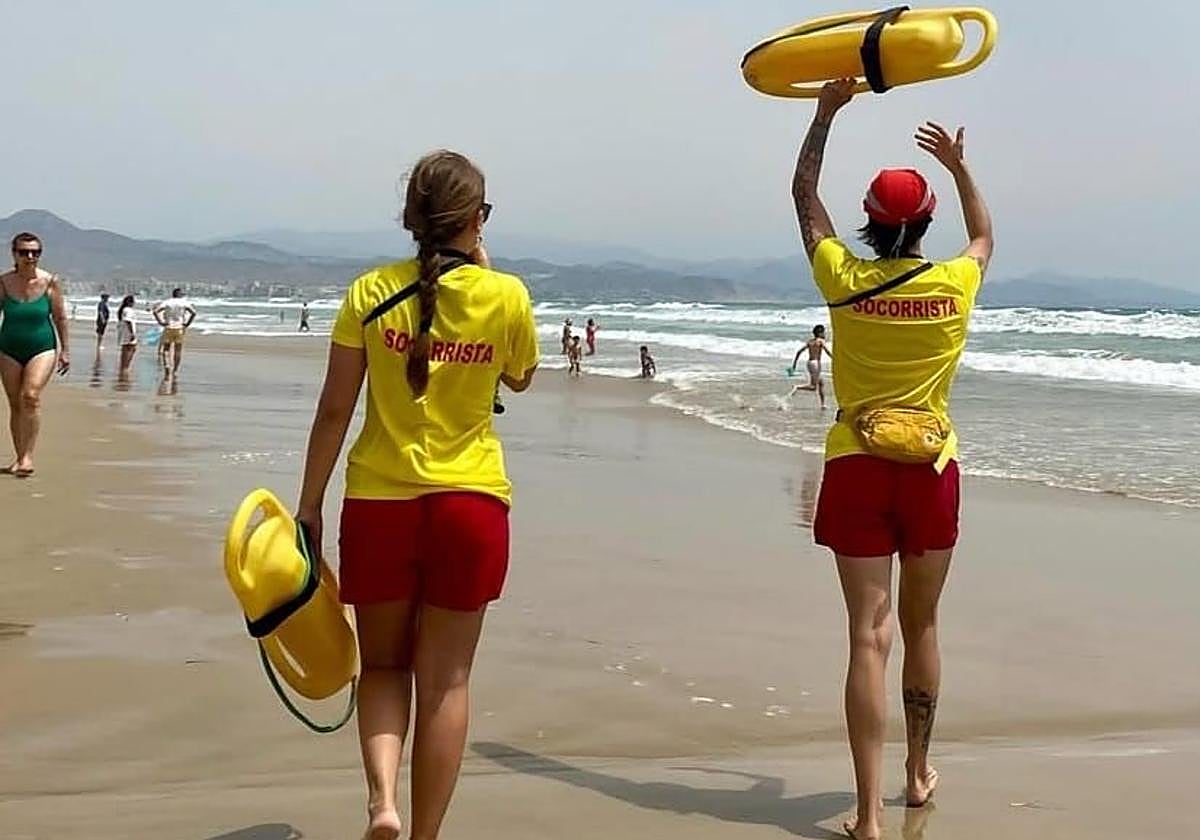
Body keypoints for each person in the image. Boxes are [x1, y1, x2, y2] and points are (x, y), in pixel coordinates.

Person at [296, 150, 538, 840]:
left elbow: (334, 410)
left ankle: (382, 804)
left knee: (380, 667)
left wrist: (309, 503)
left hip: (379, 503)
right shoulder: (508, 296)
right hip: (471, 507)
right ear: (473, 219)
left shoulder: (370, 292)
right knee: (447, 683)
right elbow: (519, 378)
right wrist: (485, 270)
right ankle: (425, 835)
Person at [792, 79, 993, 840]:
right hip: (932, 469)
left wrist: (823, 114)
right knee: (923, 628)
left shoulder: (843, 278)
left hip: (856, 463)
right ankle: (916, 773)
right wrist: (960, 168)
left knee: (867, 638)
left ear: (870, 225)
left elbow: (803, 195)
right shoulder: (952, 284)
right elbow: (985, 239)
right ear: (926, 220)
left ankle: (870, 815)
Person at [0, 233, 70, 477]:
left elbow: (60, 317)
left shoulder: (49, 282)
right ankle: (19, 457)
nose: (30, 257)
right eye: (24, 252)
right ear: (14, 254)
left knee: (30, 396)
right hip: (8, 347)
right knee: (15, 404)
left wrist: (66, 350)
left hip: (42, 347)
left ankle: (28, 456)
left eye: (35, 252)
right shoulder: (4, 282)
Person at [152, 287, 197, 377]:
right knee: (178, 350)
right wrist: (187, 323)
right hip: (179, 328)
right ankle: (175, 370)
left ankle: (167, 366)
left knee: (166, 349)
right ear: (179, 294)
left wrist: (160, 322)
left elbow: (156, 311)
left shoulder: (167, 302)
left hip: (168, 327)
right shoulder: (184, 302)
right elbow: (193, 313)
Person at [789, 324, 833, 409]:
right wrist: (835, 359)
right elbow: (827, 351)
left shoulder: (810, 341)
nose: (825, 334)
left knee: (821, 383)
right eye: (823, 332)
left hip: (810, 363)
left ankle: (823, 405)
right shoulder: (820, 341)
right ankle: (797, 387)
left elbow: (799, 352)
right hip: (816, 364)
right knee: (813, 387)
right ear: (819, 333)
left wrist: (794, 364)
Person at [116, 294, 138, 380]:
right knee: (130, 349)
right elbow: (128, 322)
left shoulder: (124, 310)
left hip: (124, 331)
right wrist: (132, 333)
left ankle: (124, 367)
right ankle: (125, 367)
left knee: (126, 349)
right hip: (128, 332)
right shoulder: (128, 310)